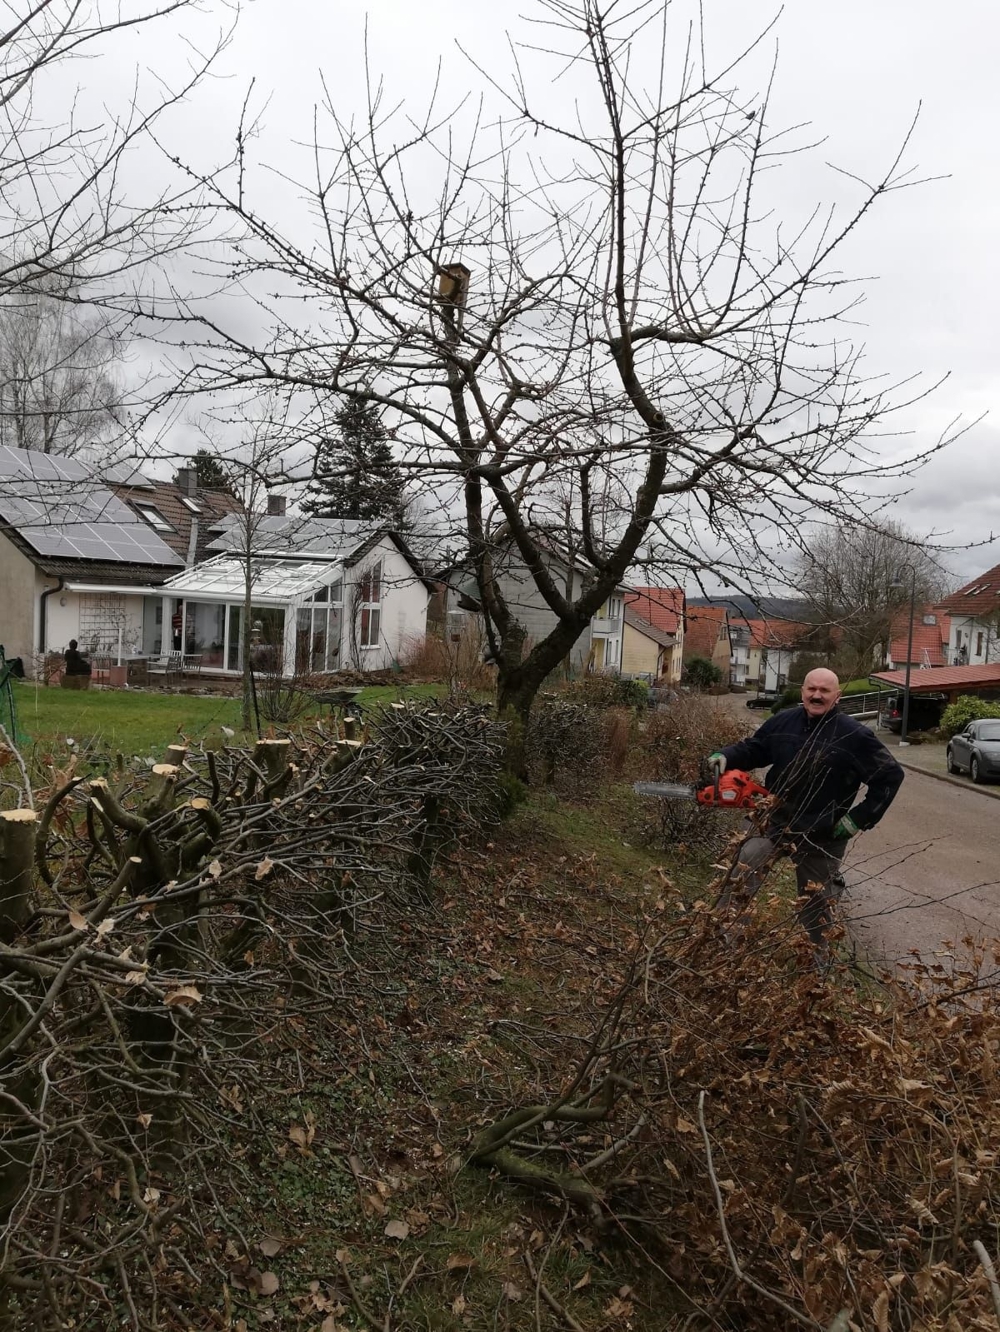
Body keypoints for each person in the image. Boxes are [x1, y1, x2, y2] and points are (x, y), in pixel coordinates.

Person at [710, 668, 904, 949]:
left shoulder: (855, 736)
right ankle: (722, 944)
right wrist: (725, 756)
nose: (816, 695)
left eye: (824, 691)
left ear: (836, 697)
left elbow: (889, 776)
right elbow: (754, 749)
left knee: (818, 904)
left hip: (823, 831)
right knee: (740, 873)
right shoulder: (784, 721)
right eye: (811, 689)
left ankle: (816, 966)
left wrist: (856, 820)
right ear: (802, 691)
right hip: (773, 819)